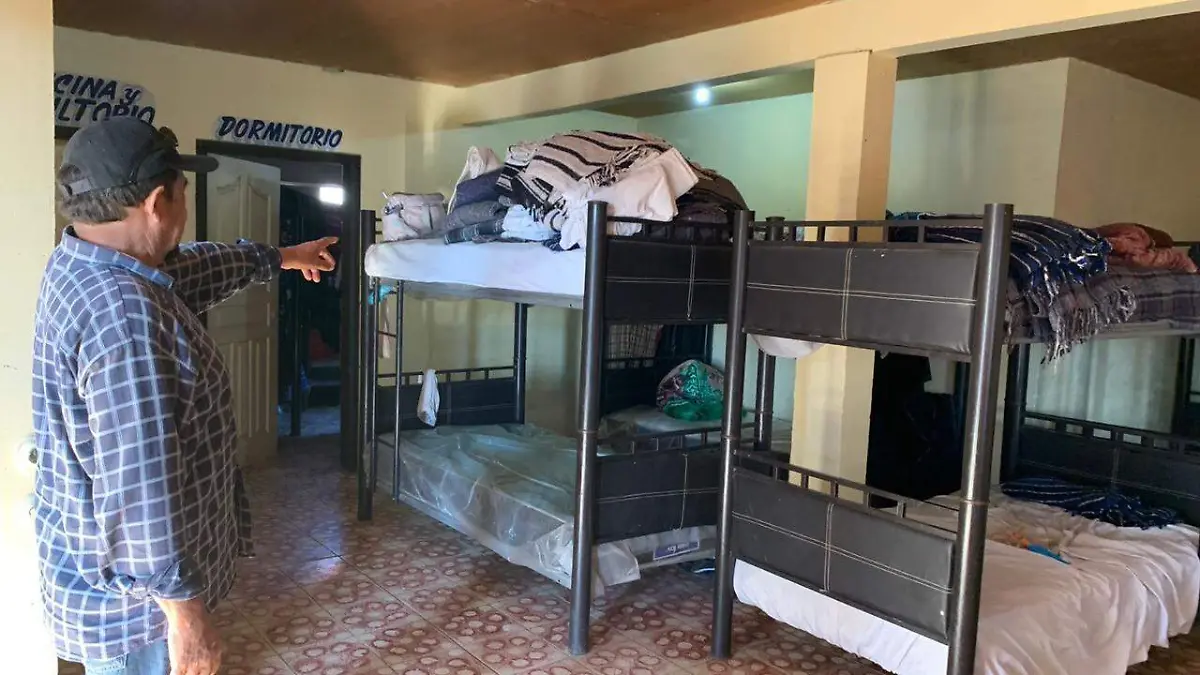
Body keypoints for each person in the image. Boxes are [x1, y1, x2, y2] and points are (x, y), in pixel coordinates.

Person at [32, 117, 338, 675]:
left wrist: (282, 257)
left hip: (102, 580)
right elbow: (140, 487)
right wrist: (186, 618)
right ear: (157, 202)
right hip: (141, 612)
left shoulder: (83, 263)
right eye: (182, 191)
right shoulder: (125, 317)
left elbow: (193, 267)